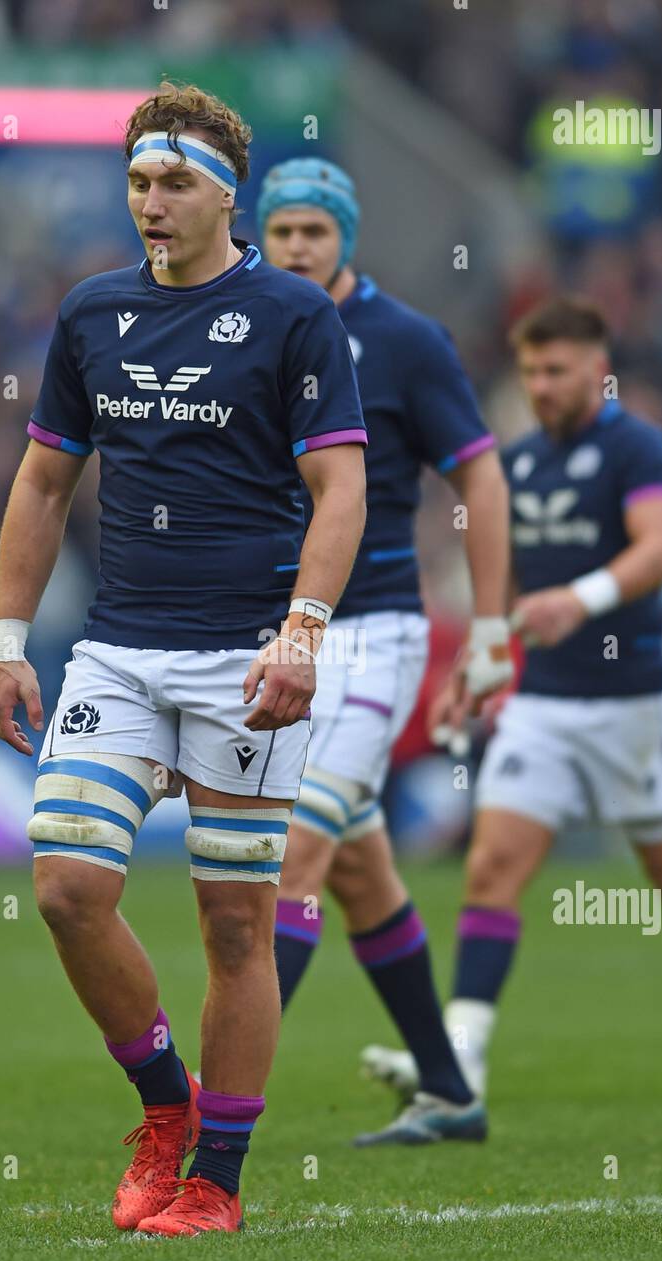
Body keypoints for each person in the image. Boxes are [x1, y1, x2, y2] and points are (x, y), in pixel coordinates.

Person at [0, 83, 367, 1238]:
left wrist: (303, 631)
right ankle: (166, 1108)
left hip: (248, 660)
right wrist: (7, 639)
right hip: (117, 652)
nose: (151, 202)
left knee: (237, 925)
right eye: (139, 182)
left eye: (174, 184)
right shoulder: (92, 313)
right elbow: (45, 480)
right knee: (65, 887)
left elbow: (340, 485)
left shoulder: (296, 316)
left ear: (226, 197)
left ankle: (219, 1180)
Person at [364, 296, 662, 1105]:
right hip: (544, 703)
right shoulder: (515, 465)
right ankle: (462, 1058)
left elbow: (661, 550)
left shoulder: (636, 446)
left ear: (597, 368)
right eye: (531, 373)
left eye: (558, 370)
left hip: (635, 702)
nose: (543, 386)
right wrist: (476, 667)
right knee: (492, 866)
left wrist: (579, 599)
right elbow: (505, 590)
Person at [258, 158, 513, 1144]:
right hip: (278, 637)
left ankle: (210, 1109)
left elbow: (479, 481)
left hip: (374, 640)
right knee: (361, 872)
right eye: (281, 231)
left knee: (293, 859)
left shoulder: (406, 342)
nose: (296, 248)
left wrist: (488, 630)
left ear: (347, 237)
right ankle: (450, 1092)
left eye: (315, 231)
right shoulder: (242, 331)